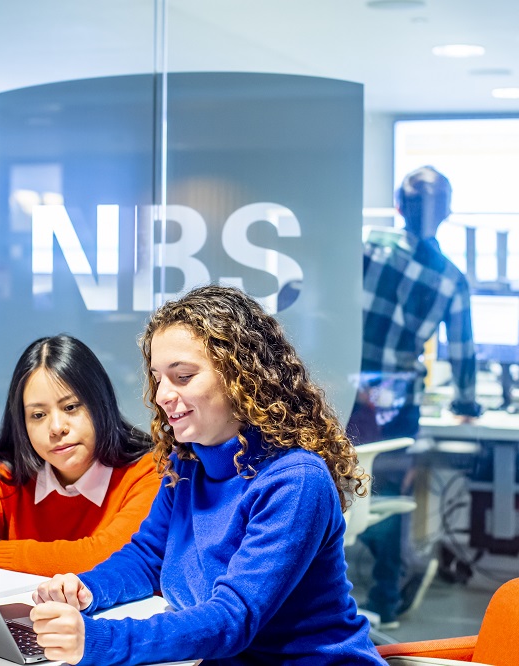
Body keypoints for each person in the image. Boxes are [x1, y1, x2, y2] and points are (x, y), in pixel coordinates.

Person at [27, 285, 385, 665]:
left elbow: (233, 618)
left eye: (182, 376)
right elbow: (149, 556)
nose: (162, 394)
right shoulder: (189, 463)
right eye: (158, 378)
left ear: (241, 377)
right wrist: (87, 588)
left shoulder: (295, 481)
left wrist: (100, 639)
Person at [348, 165, 482, 629]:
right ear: (446, 212)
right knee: (384, 494)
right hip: (395, 400)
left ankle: (325, 592)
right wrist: (465, 403)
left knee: (332, 487)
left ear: (399, 207)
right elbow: (463, 351)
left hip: (340, 388)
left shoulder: (367, 245)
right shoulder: (452, 278)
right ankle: (384, 600)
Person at [0, 334, 160, 576]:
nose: (56, 427)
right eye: (38, 415)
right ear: (22, 424)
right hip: (27, 619)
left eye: (70, 407)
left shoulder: (149, 471)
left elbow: (108, 555)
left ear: (100, 405)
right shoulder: (3, 475)